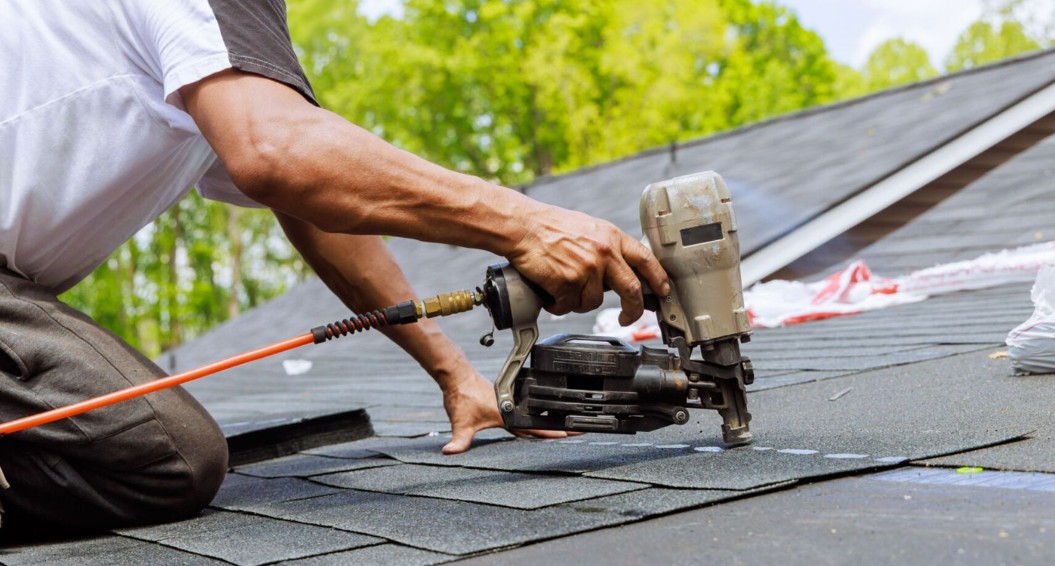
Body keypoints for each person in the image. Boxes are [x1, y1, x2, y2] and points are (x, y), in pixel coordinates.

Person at [0, 0, 669, 536]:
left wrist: (456, 375)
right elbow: (278, 151)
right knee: (167, 458)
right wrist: (529, 224)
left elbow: (312, 203)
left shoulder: (214, 56)